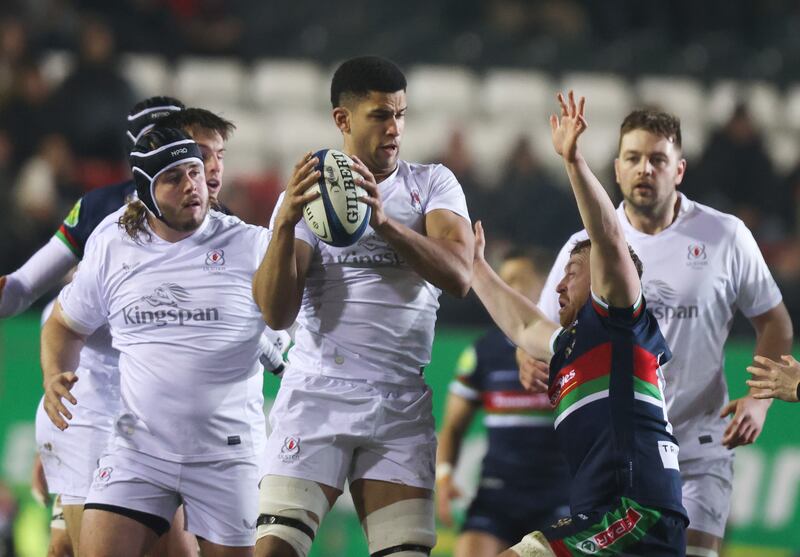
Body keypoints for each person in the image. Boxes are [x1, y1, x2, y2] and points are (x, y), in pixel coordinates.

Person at [537, 106, 793, 556]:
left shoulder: (725, 236)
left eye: (657, 159)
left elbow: (774, 321)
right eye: (633, 158)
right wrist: (529, 359)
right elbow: (542, 330)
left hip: (701, 440)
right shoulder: (587, 247)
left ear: (679, 170)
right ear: (616, 169)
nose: (644, 169)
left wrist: (759, 401)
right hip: (620, 450)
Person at [252, 55, 473, 557]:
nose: (395, 128)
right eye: (380, 115)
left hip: (399, 404)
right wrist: (283, 226)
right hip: (317, 396)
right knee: (273, 551)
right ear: (343, 120)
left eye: (401, 114)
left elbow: (460, 276)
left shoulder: (432, 184)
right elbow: (275, 314)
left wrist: (385, 223)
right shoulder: (309, 196)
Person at [472, 91, 687, 556]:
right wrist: (475, 267)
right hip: (600, 508)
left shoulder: (620, 321)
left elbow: (609, 236)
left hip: (636, 508)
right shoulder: (573, 343)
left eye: (573, 272)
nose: (560, 284)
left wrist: (572, 162)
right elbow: (524, 326)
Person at [41, 127, 271, 557]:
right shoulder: (113, 246)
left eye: (195, 172)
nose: (192, 187)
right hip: (138, 450)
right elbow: (63, 324)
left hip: (226, 456)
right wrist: (54, 375)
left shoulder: (249, 245)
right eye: (173, 178)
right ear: (145, 191)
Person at [436, 249, 570, 557]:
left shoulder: (568, 345)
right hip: (497, 497)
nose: (509, 288)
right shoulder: (483, 352)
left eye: (519, 279)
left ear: (546, 284)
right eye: (504, 280)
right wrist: (444, 478)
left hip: (559, 499)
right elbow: (454, 426)